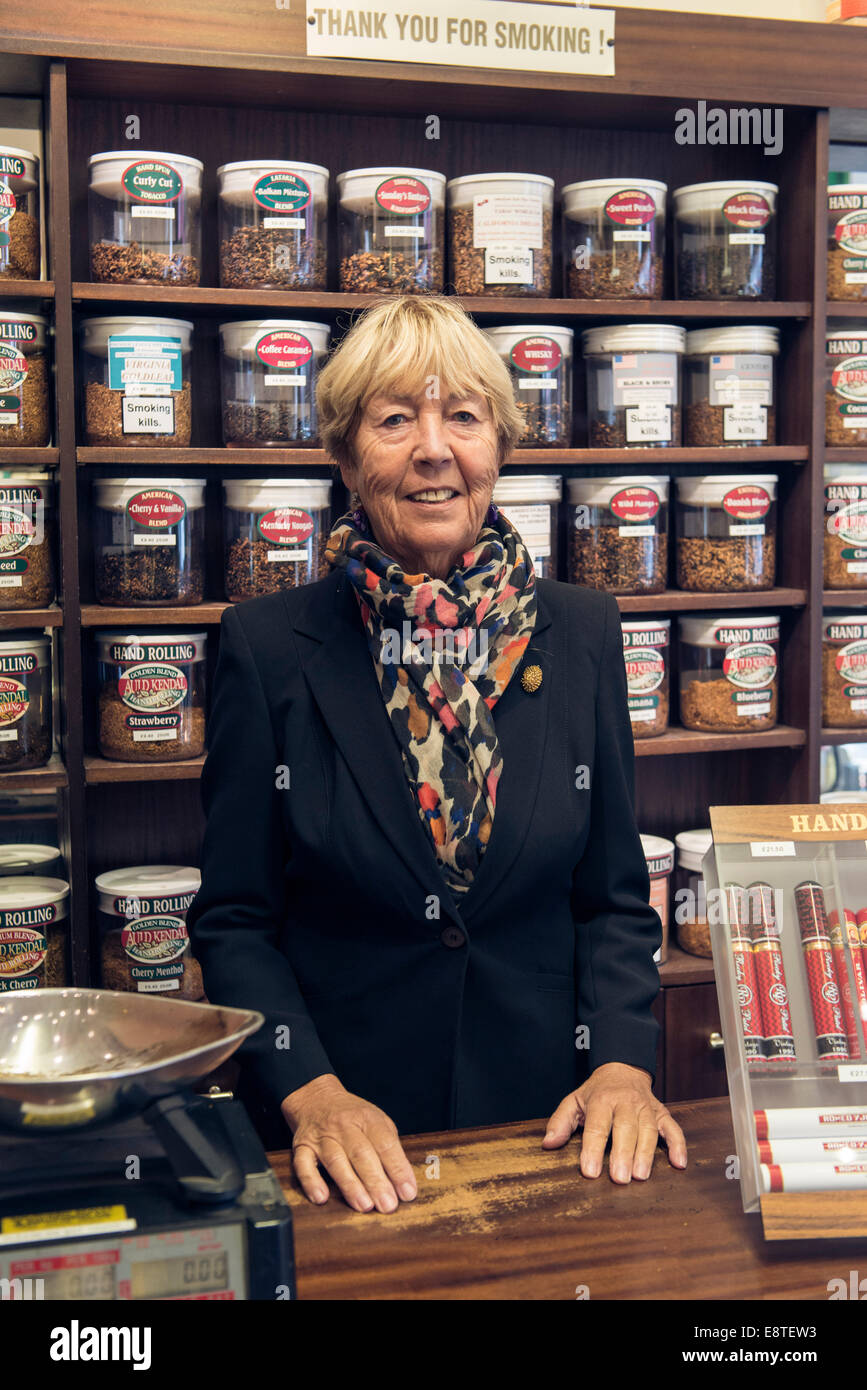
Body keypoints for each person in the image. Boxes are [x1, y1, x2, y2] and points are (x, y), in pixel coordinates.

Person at [186, 295, 687, 1215]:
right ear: (344, 456)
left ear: (496, 447)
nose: (432, 448)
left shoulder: (580, 632)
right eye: (392, 419)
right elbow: (234, 921)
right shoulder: (267, 647)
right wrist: (313, 1096)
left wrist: (620, 1064)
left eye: (461, 415)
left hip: (551, 1128)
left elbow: (612, 896)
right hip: (348, 1144)